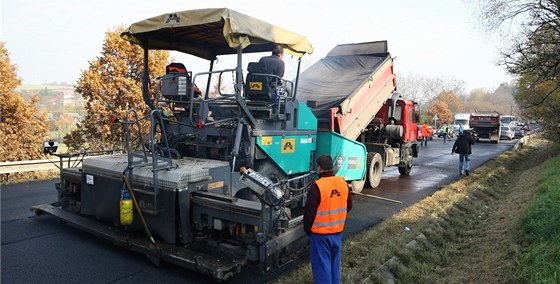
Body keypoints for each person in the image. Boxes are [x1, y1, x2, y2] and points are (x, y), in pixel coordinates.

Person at [304, 155, 352, 284]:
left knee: (322, 268)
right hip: (337, 234)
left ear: (319, 168)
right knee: (334, 266)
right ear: (331, 167)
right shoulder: (343, 183)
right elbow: (349, 206)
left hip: (320, 236)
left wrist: (308, 230)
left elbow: (309, 214)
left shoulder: (317, 187)